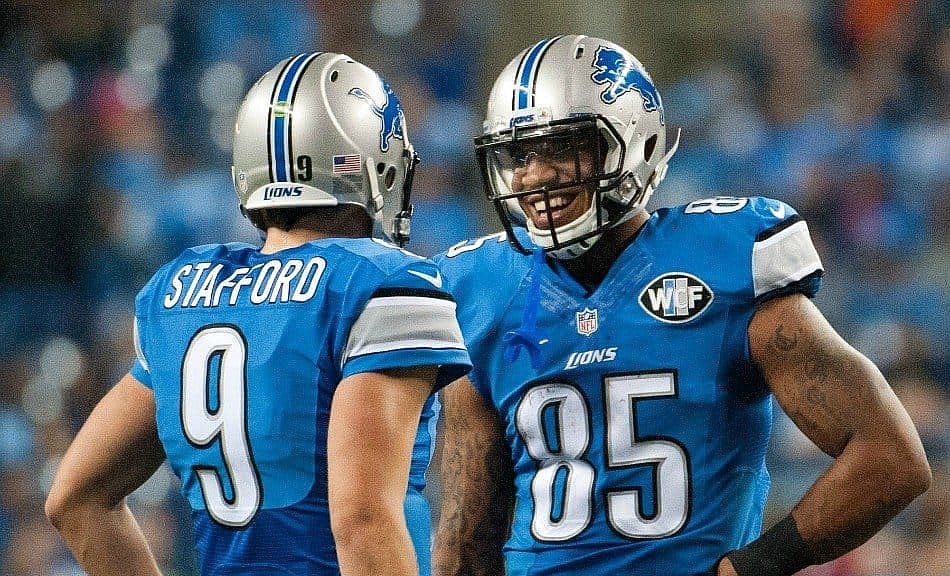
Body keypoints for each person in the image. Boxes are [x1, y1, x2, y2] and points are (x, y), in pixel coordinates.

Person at [431, 35, 931, 576]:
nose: (534, 176)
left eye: (563, 148)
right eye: (520, 155)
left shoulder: (722, 267)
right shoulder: (483, 290)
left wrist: (751, 568)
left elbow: (890, 457)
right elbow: (466, 532)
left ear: (633, 144)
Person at [45, 52, 471, 576]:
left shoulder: (180, 293)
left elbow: (75, 499)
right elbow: (362, 520)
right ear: (369, 161)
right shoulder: (380, 282)